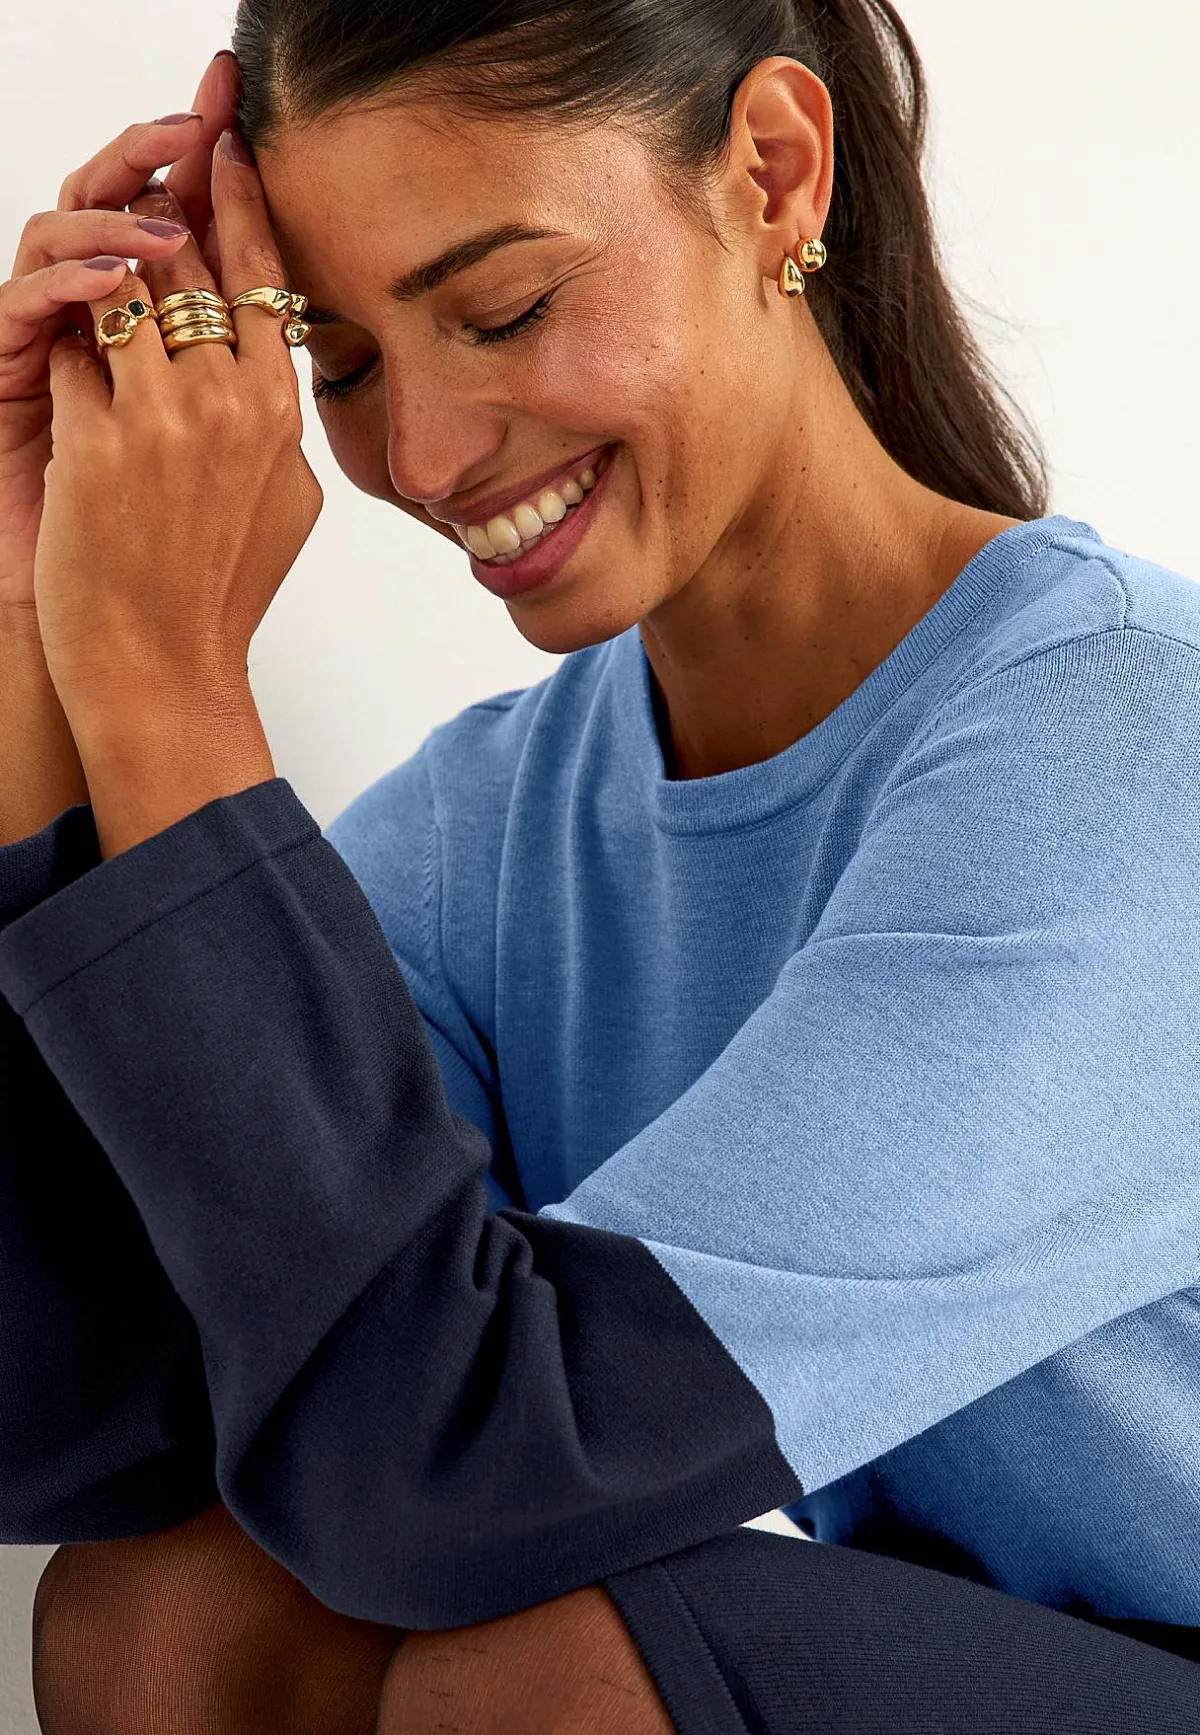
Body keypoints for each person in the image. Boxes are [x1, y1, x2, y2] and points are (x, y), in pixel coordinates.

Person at [2, 4, 1199, 1731]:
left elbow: (460, 1467)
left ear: (773, 173)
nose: (423, 458)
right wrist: (32, 636)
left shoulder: (1121, 744)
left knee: (552, 1661)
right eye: (341, 366)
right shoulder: (496, 827)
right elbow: (90, 1414)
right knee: (172, 1603)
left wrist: (166, 682)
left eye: (503, 308)